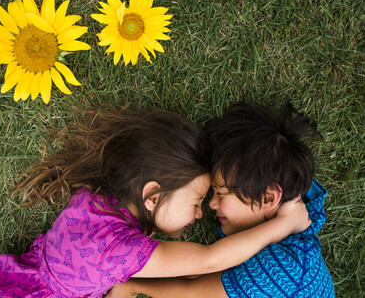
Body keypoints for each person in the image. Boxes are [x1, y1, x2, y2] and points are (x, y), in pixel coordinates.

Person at [0, 107, 311, 298]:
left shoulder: (93, 199)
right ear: (152, 197)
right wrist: (282, 225)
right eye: (196, 200)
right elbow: (209, 260)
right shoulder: (122, 252)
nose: (201, 211)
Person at [107, 102, 335, 298]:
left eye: (222, 193)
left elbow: (194, 292)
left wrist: (131, 286)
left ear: (268, 198)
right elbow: (205, 270)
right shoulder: (283, 220)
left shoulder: (282, 269)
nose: (211, 204)